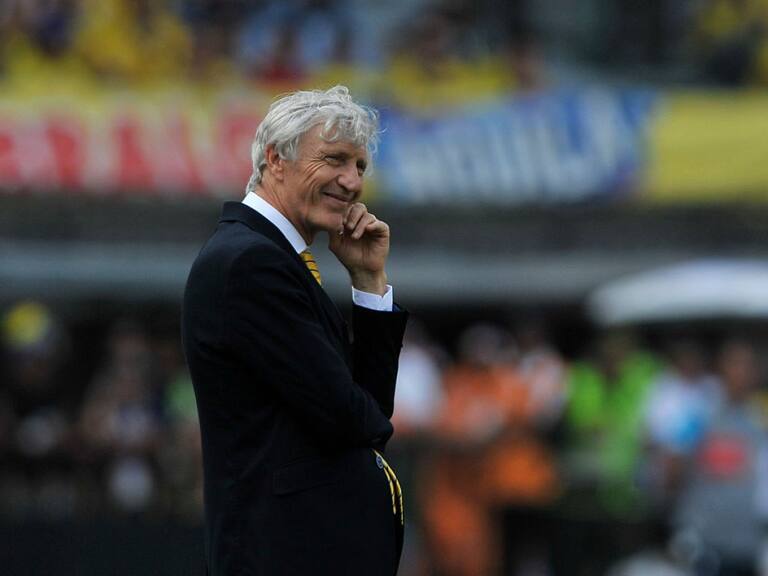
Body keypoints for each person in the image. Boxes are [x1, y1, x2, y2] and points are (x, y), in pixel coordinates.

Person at [181, 86, 408, 575]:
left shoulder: (271, 258)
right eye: (334, 159)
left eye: (360, 166)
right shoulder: (250, 262)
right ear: (275, 159)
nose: (352, 181)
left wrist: (369, 282)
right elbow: (355, 419)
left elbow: (364, 414)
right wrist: (366, 419)